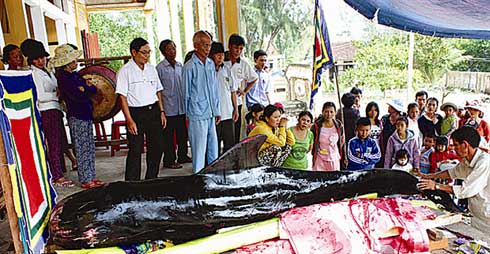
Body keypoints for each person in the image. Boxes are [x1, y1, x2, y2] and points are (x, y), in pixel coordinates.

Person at [20, 39, 75, 187]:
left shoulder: (47, 71)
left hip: (54, 109)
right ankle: (57, 176)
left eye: (42, 57)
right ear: (31, 60)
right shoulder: (33, 73)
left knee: (58, 143)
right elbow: (39, 96)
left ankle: (57, 173)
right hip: (46, 110)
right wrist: (57, 94)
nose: (40, 61)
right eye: (37, 59)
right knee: (53, 144)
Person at [52, 44, 105, 189]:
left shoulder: (74, 75)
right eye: (73, 60)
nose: (76, 62)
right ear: (66, 63)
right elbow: (78, 95)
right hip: (77, 115)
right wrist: (85, 89)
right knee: (82, 147)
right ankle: (85, 179)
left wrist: (85, 89)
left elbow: (91, 89)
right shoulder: (64, 78)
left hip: (85, 114)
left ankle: (91, 176)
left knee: (89, 146)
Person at [418, 127, 490, 232]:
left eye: (455, 145)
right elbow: (452, 173)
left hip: (486, 216)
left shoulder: (484, 162)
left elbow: (464, 190)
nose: (453, 148)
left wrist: (436, 186)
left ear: (465, 145)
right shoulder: (467, 160)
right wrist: (429, 176)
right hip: (476, 214)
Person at [116, 37, 166, 181]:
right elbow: (122, 97)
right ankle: (132, 184)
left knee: (157, 147)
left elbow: (158, 91)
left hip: (154, 112)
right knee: (136, 150)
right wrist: (129, 120)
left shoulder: (151, 69)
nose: (147, 56)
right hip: (136, 114)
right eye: (144, 52)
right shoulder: (125, 71)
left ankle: (151, 179)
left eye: (148, 52)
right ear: (134, 52)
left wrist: (162, 111)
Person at [183, 31, 221, 173]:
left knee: (213, 150)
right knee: (199, 151)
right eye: (205, 45)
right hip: (197, 114)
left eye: (209, 45)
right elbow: (185, 93)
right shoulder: (189, 66)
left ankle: (213, 178)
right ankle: (197, 181)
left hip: (211, 113)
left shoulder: (210, 64)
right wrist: (188, 114)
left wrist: (216, 111)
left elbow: (214, 90)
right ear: (195, 45)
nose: (208, 49)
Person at [156, 39, 192, 169]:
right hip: (168, 107)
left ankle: (183, 155)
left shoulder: (180, 66)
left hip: (180, 107)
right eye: (169, 49)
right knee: (169, 137)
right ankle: (169, 160)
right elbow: (157, 90)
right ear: (163, 52)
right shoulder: (159, 68)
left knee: (182, 133)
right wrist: (161, 110)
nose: (173, 51)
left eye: (174, 48)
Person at [224, 34, 258, 143]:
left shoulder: (243, 64)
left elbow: (254, 78)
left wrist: (244, 91)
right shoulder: (221, 60)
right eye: (235, 48)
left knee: (235, 131)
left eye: (241, 49)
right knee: (223, 131)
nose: (238, 51)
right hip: (222, 101)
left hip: (237, 102)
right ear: (229, 46)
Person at [209, 41, 239, 154]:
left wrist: (235, 109)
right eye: (217, 54)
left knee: (229, 144)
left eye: (222, 54)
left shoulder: (226, 70)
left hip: (227, 113)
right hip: (213, 115)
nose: (221, 56)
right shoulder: (207, 70)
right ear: (211, 55)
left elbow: (233, 91)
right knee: (214, 143)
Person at [312, 102, 345, 171]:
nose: (329, 114)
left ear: (335, 112)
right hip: (319, 158)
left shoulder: (339, 125)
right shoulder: (316, 126)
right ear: (322, 112)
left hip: (334, 158)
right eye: (326, 111)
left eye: (331, 112)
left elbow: (342, 142)